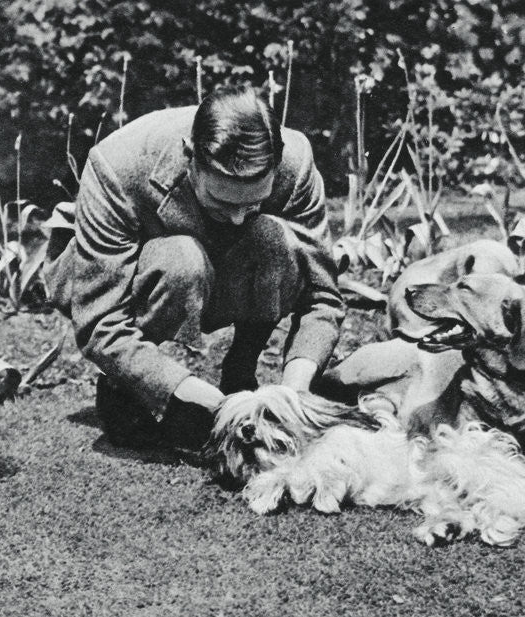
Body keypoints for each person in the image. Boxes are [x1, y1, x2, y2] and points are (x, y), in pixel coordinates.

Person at [45, 84, 345, 449]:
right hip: (136, 278)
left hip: (221, 270)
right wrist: (207, 402)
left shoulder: (295, 164)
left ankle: (241, 370)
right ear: (190, 157)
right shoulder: (117, 164)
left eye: (252, 204)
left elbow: (322, 298)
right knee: (182, 259)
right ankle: (123, 390)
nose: (237, 220)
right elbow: (101, 320)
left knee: (271, 237)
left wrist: (292, 394)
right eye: (221, 201)